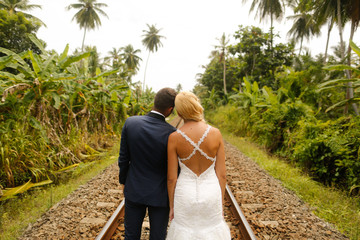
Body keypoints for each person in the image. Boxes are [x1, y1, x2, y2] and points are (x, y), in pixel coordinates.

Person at [166, 91, 231, 240]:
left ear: (180, 113)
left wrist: (171, 206)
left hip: (185, 194)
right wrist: (220, 203)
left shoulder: (174, 138)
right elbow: (222, 175)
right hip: (211, 192)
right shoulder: (216, 133)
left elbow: (171, 179)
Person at [118, 87, 177, 240]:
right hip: (160, 194)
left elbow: (123, 159)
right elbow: (174, 169)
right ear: (170, 109)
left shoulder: (130, 123)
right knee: (158, 237)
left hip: (134, 189)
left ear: (154, 102)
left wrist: (123, 181)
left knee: (131, 236)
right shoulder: (172, 133)